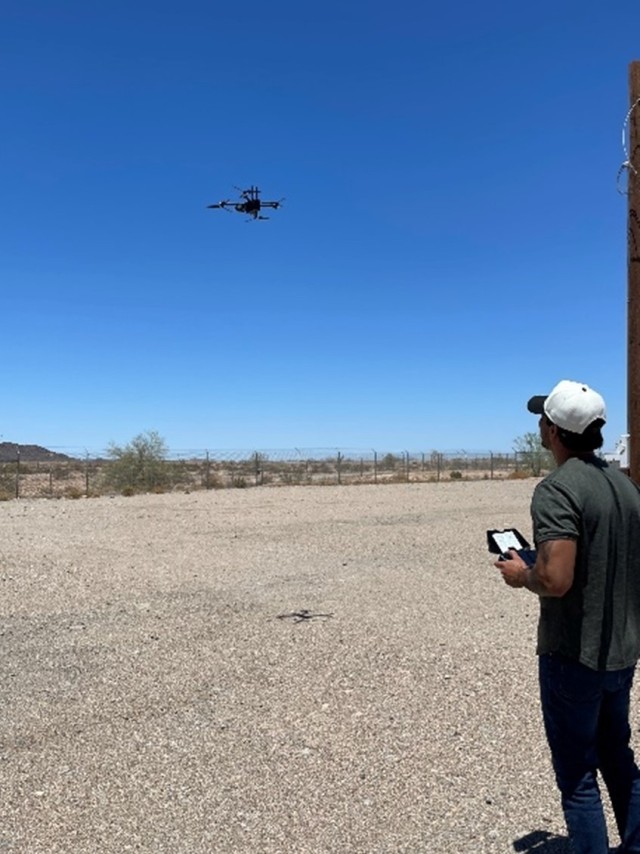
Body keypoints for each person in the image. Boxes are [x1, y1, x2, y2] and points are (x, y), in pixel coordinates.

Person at [496, 379, 640, 853]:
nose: (539, 425)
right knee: (618, 756)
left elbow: (556, 580)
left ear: (555, 430)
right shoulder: (624, 485)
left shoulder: (557, 490)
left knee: (578, 776)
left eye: (543, 419)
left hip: (572, 654)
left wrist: (522, 572)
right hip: (620, 653)